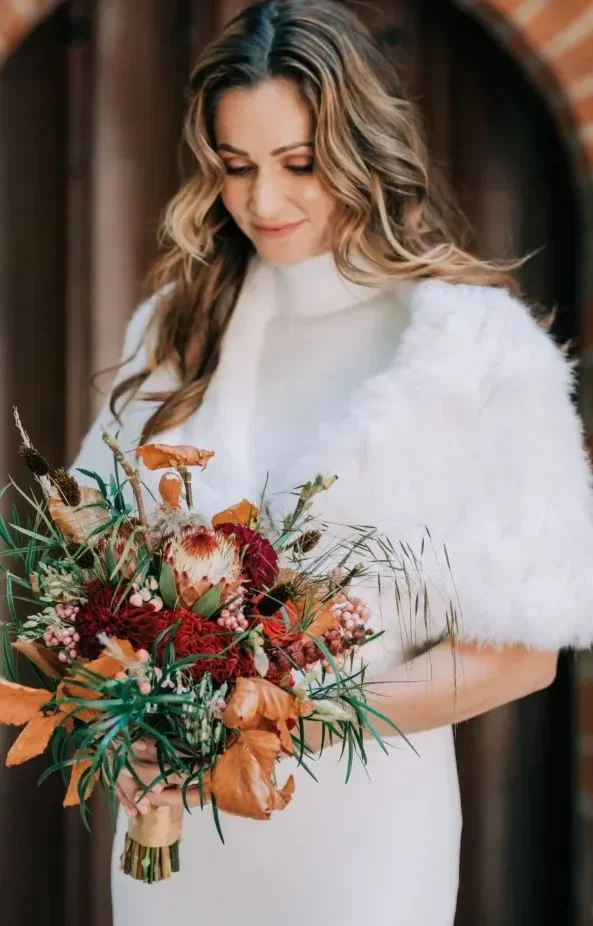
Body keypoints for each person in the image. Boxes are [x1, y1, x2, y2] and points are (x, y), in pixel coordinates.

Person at [71, 1, 593, 923]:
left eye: (298, 163)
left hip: (362, 844)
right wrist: (126, 725)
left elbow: (518, 659)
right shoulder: (173, 336)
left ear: (362, 151)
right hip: (178, 839)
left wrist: (283, 720)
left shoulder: (474, 352)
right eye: (235, 166)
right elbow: (88, 577)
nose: (262, 202)